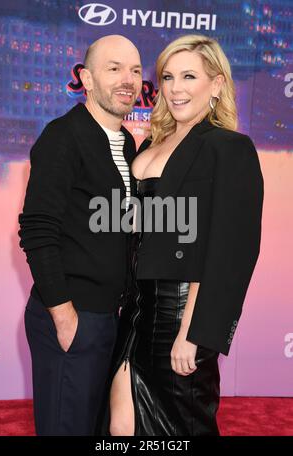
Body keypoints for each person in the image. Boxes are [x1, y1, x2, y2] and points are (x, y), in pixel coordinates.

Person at [108, 34, 264, 436]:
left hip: (181, 313)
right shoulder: (151, 144)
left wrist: (193, 335)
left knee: (181, 428)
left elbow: (227, 252)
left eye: (189, 76)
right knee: (122, 425)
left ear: (215, 85)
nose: (176, 89)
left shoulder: (229, 148)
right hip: (136, 313)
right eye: (169, 77)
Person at [18, 35, 142, 436]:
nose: (128, 79)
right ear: (86, 79)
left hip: (109, 320)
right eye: (114, 68)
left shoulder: (125, 142)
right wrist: (63, 314)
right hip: (71, 318)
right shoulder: (63, 137)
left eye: (136, 70)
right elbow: (38, 229)